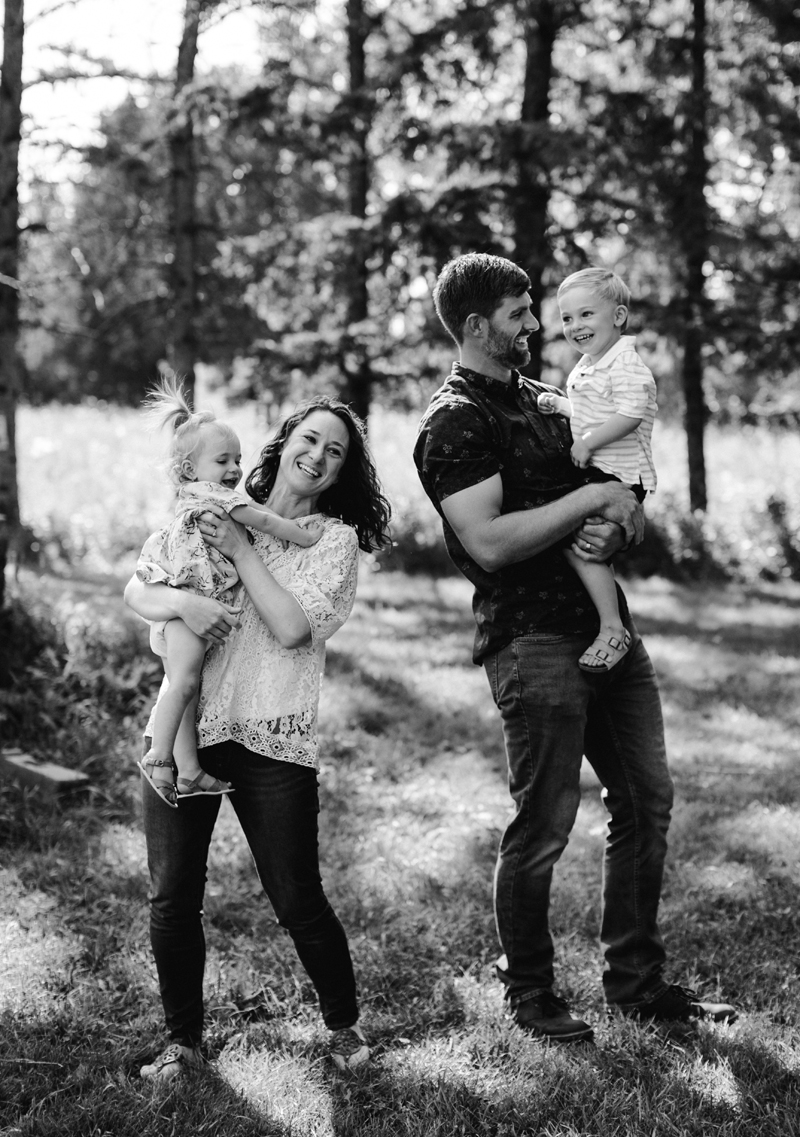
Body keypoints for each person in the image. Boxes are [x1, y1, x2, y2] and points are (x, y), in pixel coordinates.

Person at [414, 252, 736, 1043]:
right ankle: (529, 992)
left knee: (647, 802)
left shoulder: (555, 401)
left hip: (607, 627)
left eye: (536, 308)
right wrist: (591, 497)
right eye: (519, 313)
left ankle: (636, 984)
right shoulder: (455, 420)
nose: (536, 324)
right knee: (545, 823)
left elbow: (623, 496)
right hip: (532, 640)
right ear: (478, 326)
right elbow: (490, 543)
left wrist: (621, 521)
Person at [124, 396, 392, 1079]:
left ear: (343, 472)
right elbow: (139, 589)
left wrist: (243, 551)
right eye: (311, 438)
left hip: (271, 736)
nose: (318, 456)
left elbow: (293, 628)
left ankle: (344, 1029)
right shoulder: (214, 504)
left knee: (297, 896)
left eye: (335, 451)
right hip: (189, 728)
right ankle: (183, 1041)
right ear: (286, 440)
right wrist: (182, 602)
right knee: (172, 896)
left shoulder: (329, 541)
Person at [136, 378, 323, 807]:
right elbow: (265, 521)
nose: (235, 469)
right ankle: (159, 758)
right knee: (184, 684)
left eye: (237, 459)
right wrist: (303, 535)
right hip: (186, 609)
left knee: (185, 686)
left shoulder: (190, 495)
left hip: (180, 606)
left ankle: (188, 772)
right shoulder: (216, 497)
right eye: (222, 460)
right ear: (190, 470)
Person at [536, 267, 657, 674]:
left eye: (586, 314)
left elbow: (629, 415)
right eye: (567, 318)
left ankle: (612, 629)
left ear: (618, 316)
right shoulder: (593, 363)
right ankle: (603, 621)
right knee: (574, 543)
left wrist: (587, 443)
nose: (575, 326)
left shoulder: (626, 364)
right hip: (602, 471)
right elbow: (596, 412)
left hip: (618, 475)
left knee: (584, 547)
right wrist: (562, 407)